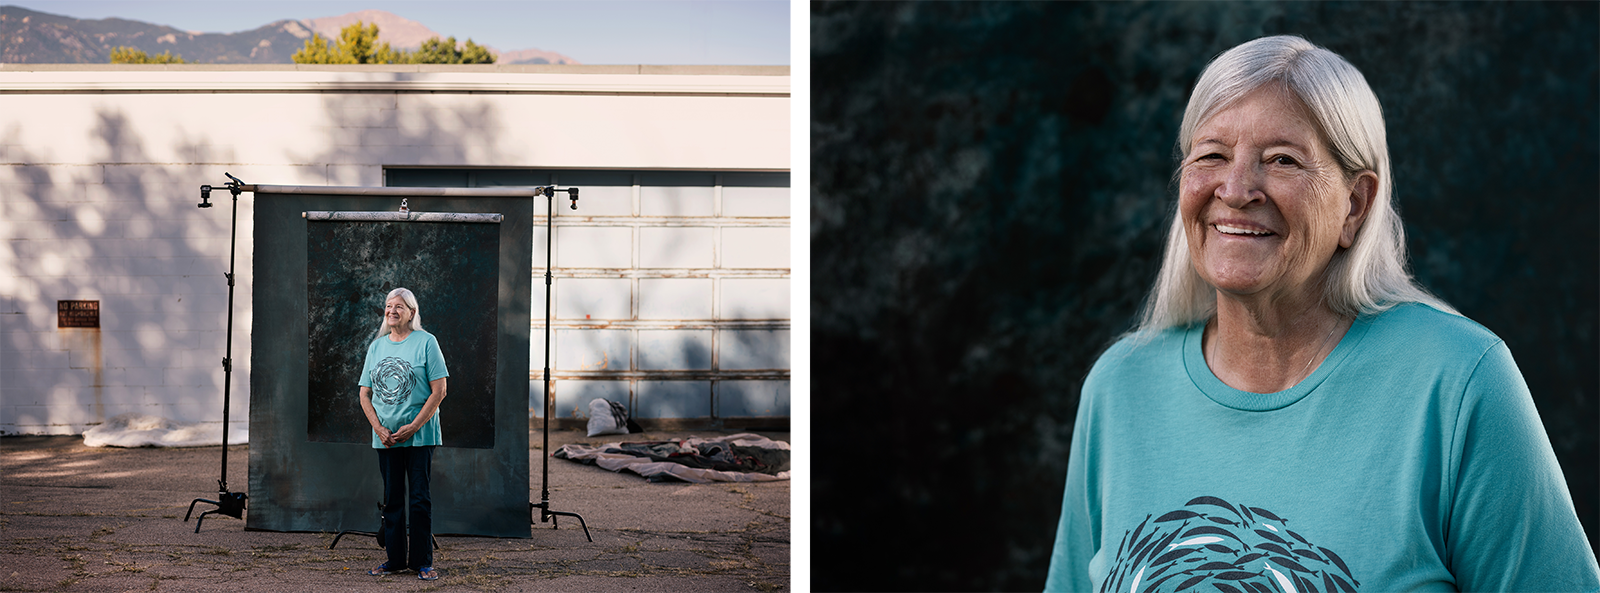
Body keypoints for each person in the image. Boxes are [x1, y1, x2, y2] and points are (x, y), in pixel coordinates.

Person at [1044, 35, 1600, 592]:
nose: (1235, 190)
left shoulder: (1456, 383)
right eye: (1211, 154)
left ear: (1354, 205)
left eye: (1281, 160)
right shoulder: (1120, 389)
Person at [358, 287, 449, 581]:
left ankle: (421, 562)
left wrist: (414, 426)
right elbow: (364, 394)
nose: (392, 310)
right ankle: (395, 560)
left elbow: (440, 390)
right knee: (393, 499)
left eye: (399, 306)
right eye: (388, 305)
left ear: (412, 312)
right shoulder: (377, 347)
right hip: (386, 438)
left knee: (419, 499)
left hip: (420, 436)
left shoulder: (426, 342)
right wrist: (378, 428)